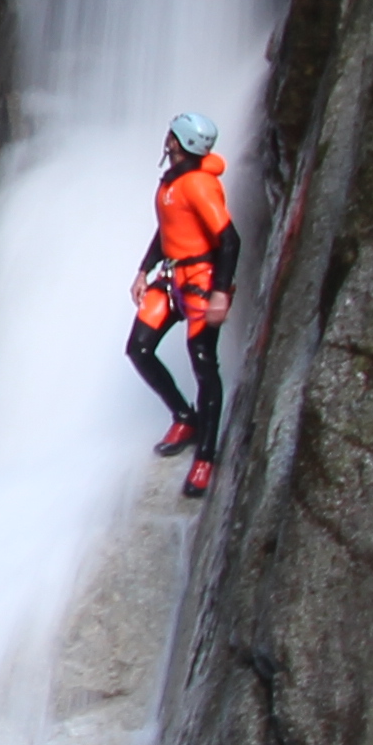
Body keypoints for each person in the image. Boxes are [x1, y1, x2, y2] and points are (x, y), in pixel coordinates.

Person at [131, 110, 232, 496]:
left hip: (200, 282)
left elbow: (229, 240)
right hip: (172, 277)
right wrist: (144, 271)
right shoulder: (172, 183)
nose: (166, 138)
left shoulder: (198, 186)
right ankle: (184, 416)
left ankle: (206, 455)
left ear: (180, 142)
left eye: (171, 134)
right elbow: (167, 230)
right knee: (139, 348)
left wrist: (220, 292)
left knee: (204, 364)